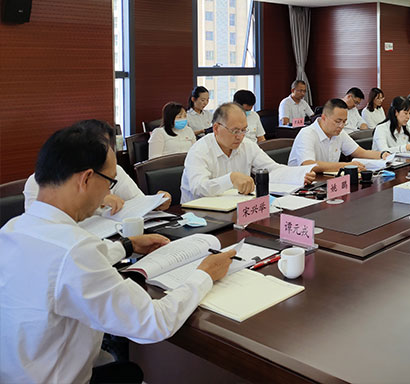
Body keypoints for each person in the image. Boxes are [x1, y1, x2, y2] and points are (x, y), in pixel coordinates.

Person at [0, 120, 235, 384]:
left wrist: (127, 245)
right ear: (86, 179)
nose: (109, 191)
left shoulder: (12, 230)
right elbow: (153, 323)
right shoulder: (75, 250)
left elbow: (60, 270)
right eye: (110, 182)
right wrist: (204, 274)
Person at [24, 120, 172, 213]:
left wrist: (155, 202)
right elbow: (41, 225)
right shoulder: (41, 181)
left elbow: (138, 202)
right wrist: (97, 200)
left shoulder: (114, 170)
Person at [180, 103, 315, 202]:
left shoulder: (246, 145)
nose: (240, 136)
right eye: (235, 131)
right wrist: (230, 179)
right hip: (200, 215)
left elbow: (271, 169)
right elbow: (198, 188)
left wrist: (299, 174)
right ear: (216, 128)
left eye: (244, 130)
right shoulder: (199, 150)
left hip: (236, 207)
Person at [289, 98, 390, 173]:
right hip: (300, 186)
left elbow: (360, 152)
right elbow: (309, 164)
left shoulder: (339, 133)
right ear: (324, 118)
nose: (341, 126)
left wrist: (382, 155)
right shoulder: (307, 133)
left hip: (324, 181)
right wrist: (346, 165)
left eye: (344, 122)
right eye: (338, 121)